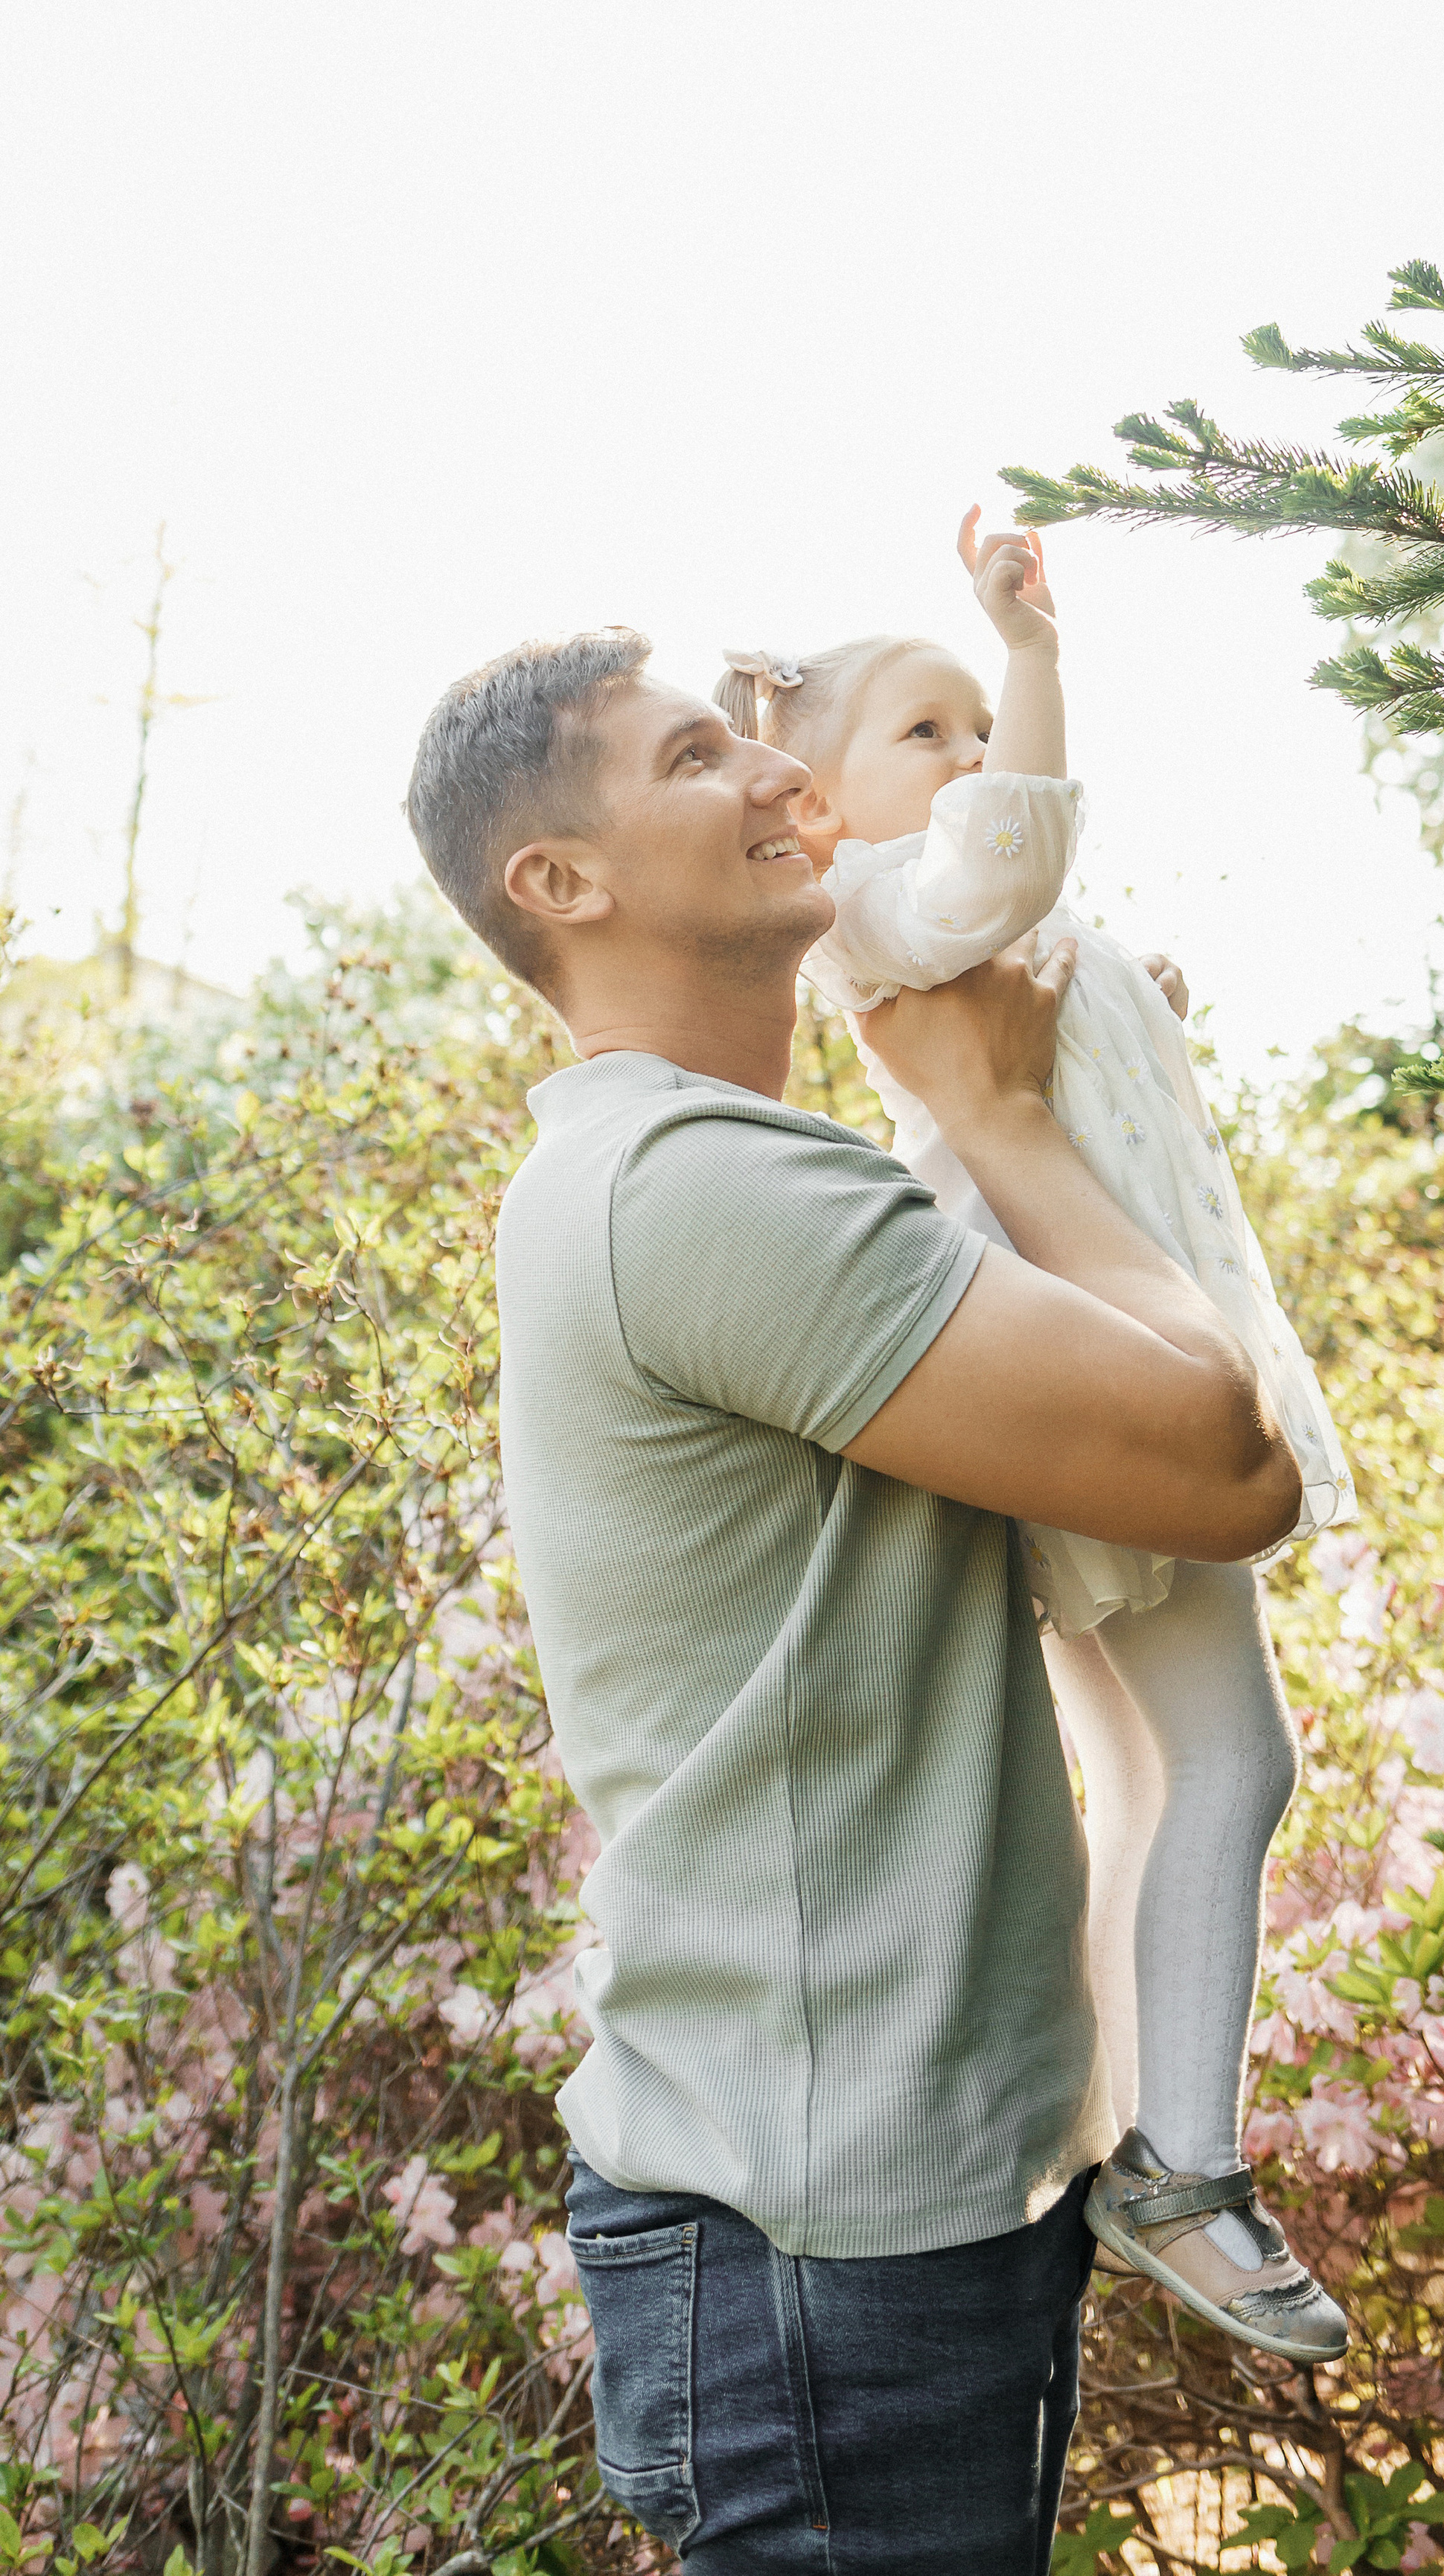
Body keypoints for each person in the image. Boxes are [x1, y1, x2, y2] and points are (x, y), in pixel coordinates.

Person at [403, 624, 1312, 2573]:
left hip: (885, 2215)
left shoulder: (729, 1173)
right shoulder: (706, 1194)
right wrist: (1001, 1120)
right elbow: (1228, 1471)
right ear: (556, 883)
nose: (773, 780)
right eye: (694, 759)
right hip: (826, 2259)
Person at [715, 518, 1352, 2357]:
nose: (976, 754)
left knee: (1166, 1772)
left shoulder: (961, 923)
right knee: (1229, 1768)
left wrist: (1136, 1024)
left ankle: (1129, 2142)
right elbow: (1015, 847)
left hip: (1073, 1336)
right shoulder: (892, 907)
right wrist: (1028, 648)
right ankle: (1182, 2163)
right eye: (927, 730)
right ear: (821, 809)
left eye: (975, 723)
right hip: (1080, 1348)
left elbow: (1025, 887)